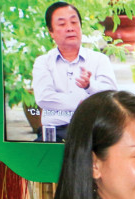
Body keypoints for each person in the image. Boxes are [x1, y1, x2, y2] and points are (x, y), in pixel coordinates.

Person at [32, 1, 118, 142]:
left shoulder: (99, 59)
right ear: (51, 32)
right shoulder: (43, 62)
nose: (70, 28)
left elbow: (112, 95)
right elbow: (43, 97)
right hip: (56, 131)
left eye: (74, 22)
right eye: (62, 24)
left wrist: (90, 85)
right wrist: (83, 103)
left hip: (92, 131)